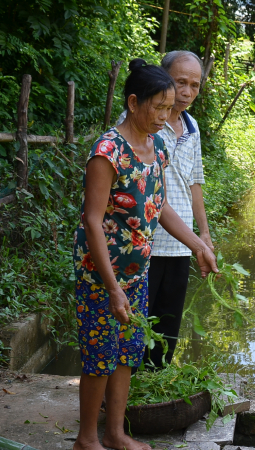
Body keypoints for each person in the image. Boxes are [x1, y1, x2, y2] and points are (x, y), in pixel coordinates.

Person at [73, 58, 218, 450]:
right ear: (134, 102)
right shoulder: (108, 151)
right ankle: (87, 439)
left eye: (169, 108)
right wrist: (112, 287)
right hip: (103, 275)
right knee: (100, 355)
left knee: (126, 353)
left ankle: (117, 434)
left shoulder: (154, 145)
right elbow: (92, 222)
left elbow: (163, 206)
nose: (165, 116)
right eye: (159, 107)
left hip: (137, 270)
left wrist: (199, 246)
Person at [118, 50, 211, 368]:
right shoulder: (140, 123)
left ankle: (153, 391)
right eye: (180, 82)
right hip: (144, 244)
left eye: (195, 85)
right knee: (133, 328)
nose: (187, 92)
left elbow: (194, 182)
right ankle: (124, 400)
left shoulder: (192, 126)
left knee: (165, 331)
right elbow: (149, 195)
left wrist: (204, 235)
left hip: (181, 244)